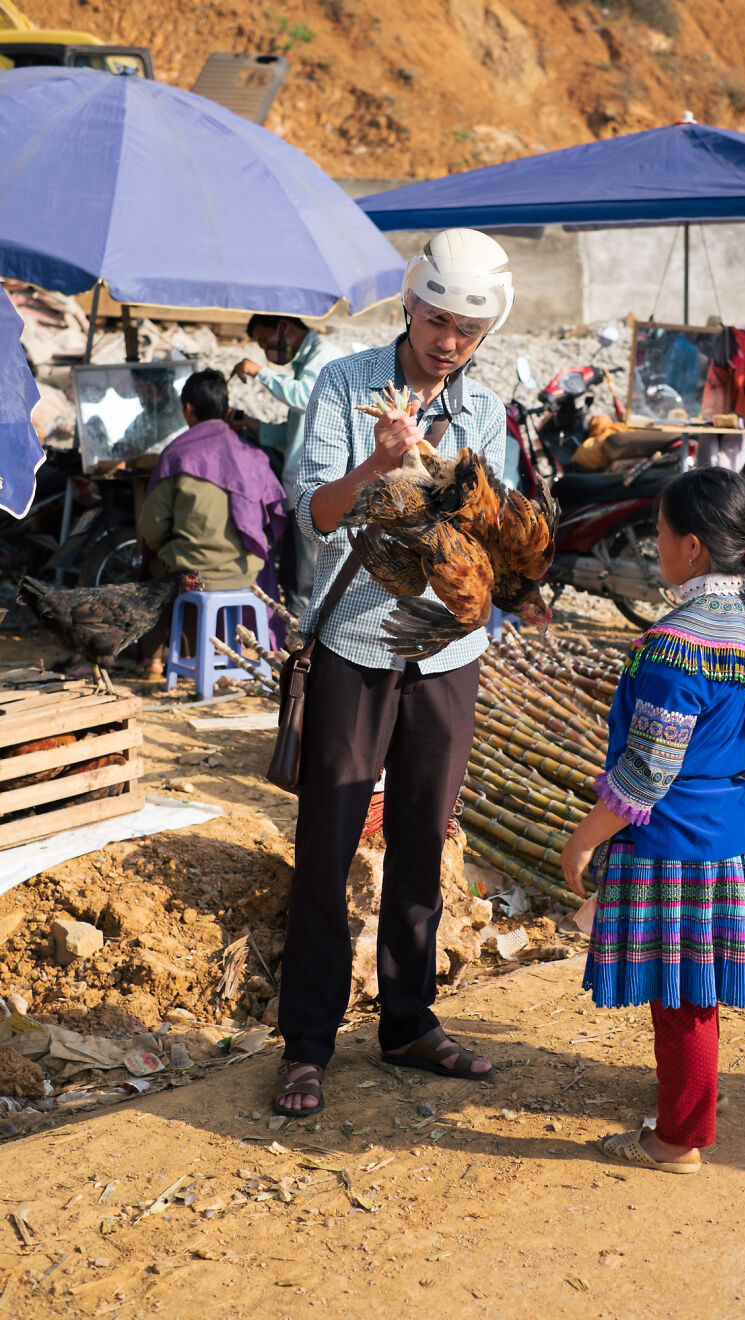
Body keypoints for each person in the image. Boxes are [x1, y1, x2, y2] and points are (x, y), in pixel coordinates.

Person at [272, 228, 514, 1116]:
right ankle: (307, 1044)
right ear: (409, 303)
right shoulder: (342, 383)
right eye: (437, 316)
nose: (449, 339)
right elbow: (315, 517)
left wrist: (461, 491)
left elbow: (497, 528)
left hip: (448, 652)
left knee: (422, 840)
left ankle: (409, 1022)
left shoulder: (486, 408)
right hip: (355, 648)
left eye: (468, 328)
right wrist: (379, 463)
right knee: (326, 848)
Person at [561, 468, 745, 1174]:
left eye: (658, 533)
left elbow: (646, 774)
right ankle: (693, 1098)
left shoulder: (679, 643)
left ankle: (677, 1140)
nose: (654, 544)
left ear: (691, 548)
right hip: (734, 834)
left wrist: (581, 842)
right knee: (702, 985)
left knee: (683, 998)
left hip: (677, 846)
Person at [137, 368, 286, 673]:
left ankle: (152, 661)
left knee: (156, 573)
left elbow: (151, 528)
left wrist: (167, 549)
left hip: (195, 576)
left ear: (188, 409)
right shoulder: (252, 454)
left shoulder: (177, 454)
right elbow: (276, 516)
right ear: (227, 410)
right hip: (247, 576)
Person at [230, 314, 344, 613]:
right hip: (300, 489)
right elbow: (295, 433)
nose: (267, 349)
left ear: (285, 328)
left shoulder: (325, 357)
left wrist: (260, 373)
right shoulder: (305, 365)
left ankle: (303, 649)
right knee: (293, 575)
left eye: (266, 341)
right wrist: (253, 425)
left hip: (318, 489)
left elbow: (306, 397)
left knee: (304, 582)